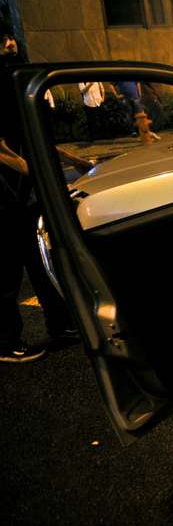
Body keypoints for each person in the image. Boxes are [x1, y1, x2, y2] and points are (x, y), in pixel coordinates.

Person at [1, 22, 88, 362]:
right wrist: (40, 174)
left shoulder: (12, 81)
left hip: (22, 194)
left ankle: (60, 324)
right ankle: (6, 343)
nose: (11, 45)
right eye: (4, 40)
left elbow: (28, 138)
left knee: (38, 260)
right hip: (6, 195)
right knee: (8, 271)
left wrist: (71, 158)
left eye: (10, 38)